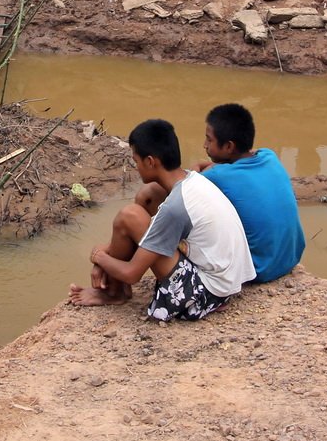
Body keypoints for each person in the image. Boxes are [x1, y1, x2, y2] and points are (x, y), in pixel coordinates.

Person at [68, 119, 254, 321]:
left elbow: (132, 274)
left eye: (136, 161)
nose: (136, 167)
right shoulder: (193, 180)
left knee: (129, 216)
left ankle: (114, 293)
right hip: (228, 283)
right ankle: (114, 289)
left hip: (207, 294)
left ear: (150, 161)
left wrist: (99, 257)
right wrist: (106, 253)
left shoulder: (174, 208)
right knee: (146, 201)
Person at [197, 104, 304, 283]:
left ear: (229, 146)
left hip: (258, 270)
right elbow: (224, 168)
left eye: (209, 140)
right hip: (290, 259)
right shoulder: (269, 156)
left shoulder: (218, 177)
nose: (204, 145)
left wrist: (195, 169)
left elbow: (182, 188)